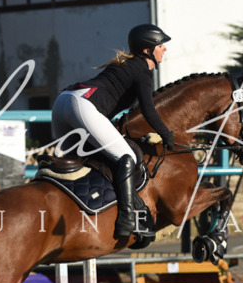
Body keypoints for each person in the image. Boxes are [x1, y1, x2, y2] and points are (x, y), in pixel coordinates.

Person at [51, 24, 176, 240]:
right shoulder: (141, 69)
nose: (164, 49)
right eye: (160, 45)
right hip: (81, 105)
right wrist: (166, 134)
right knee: (125, 156)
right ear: (148, 50)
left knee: (81, 161)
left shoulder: (128, 65)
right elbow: (148, 109)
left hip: (63, 102)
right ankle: (127, 218)